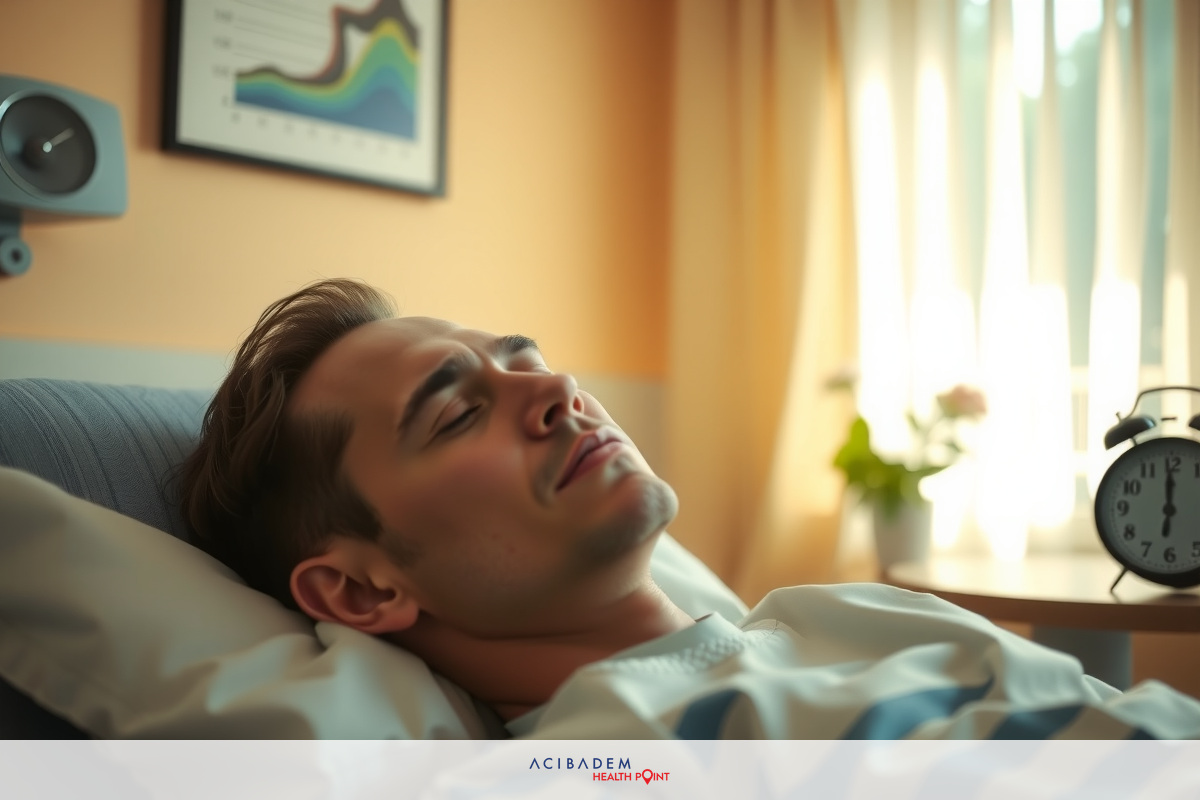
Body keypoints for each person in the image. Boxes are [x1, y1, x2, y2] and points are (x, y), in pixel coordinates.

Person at [179, 278, 1200, 739]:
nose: (555, 389)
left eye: (525, 358)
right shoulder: (609, 761)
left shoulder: (855, 613)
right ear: (359, 587)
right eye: (455, 413)